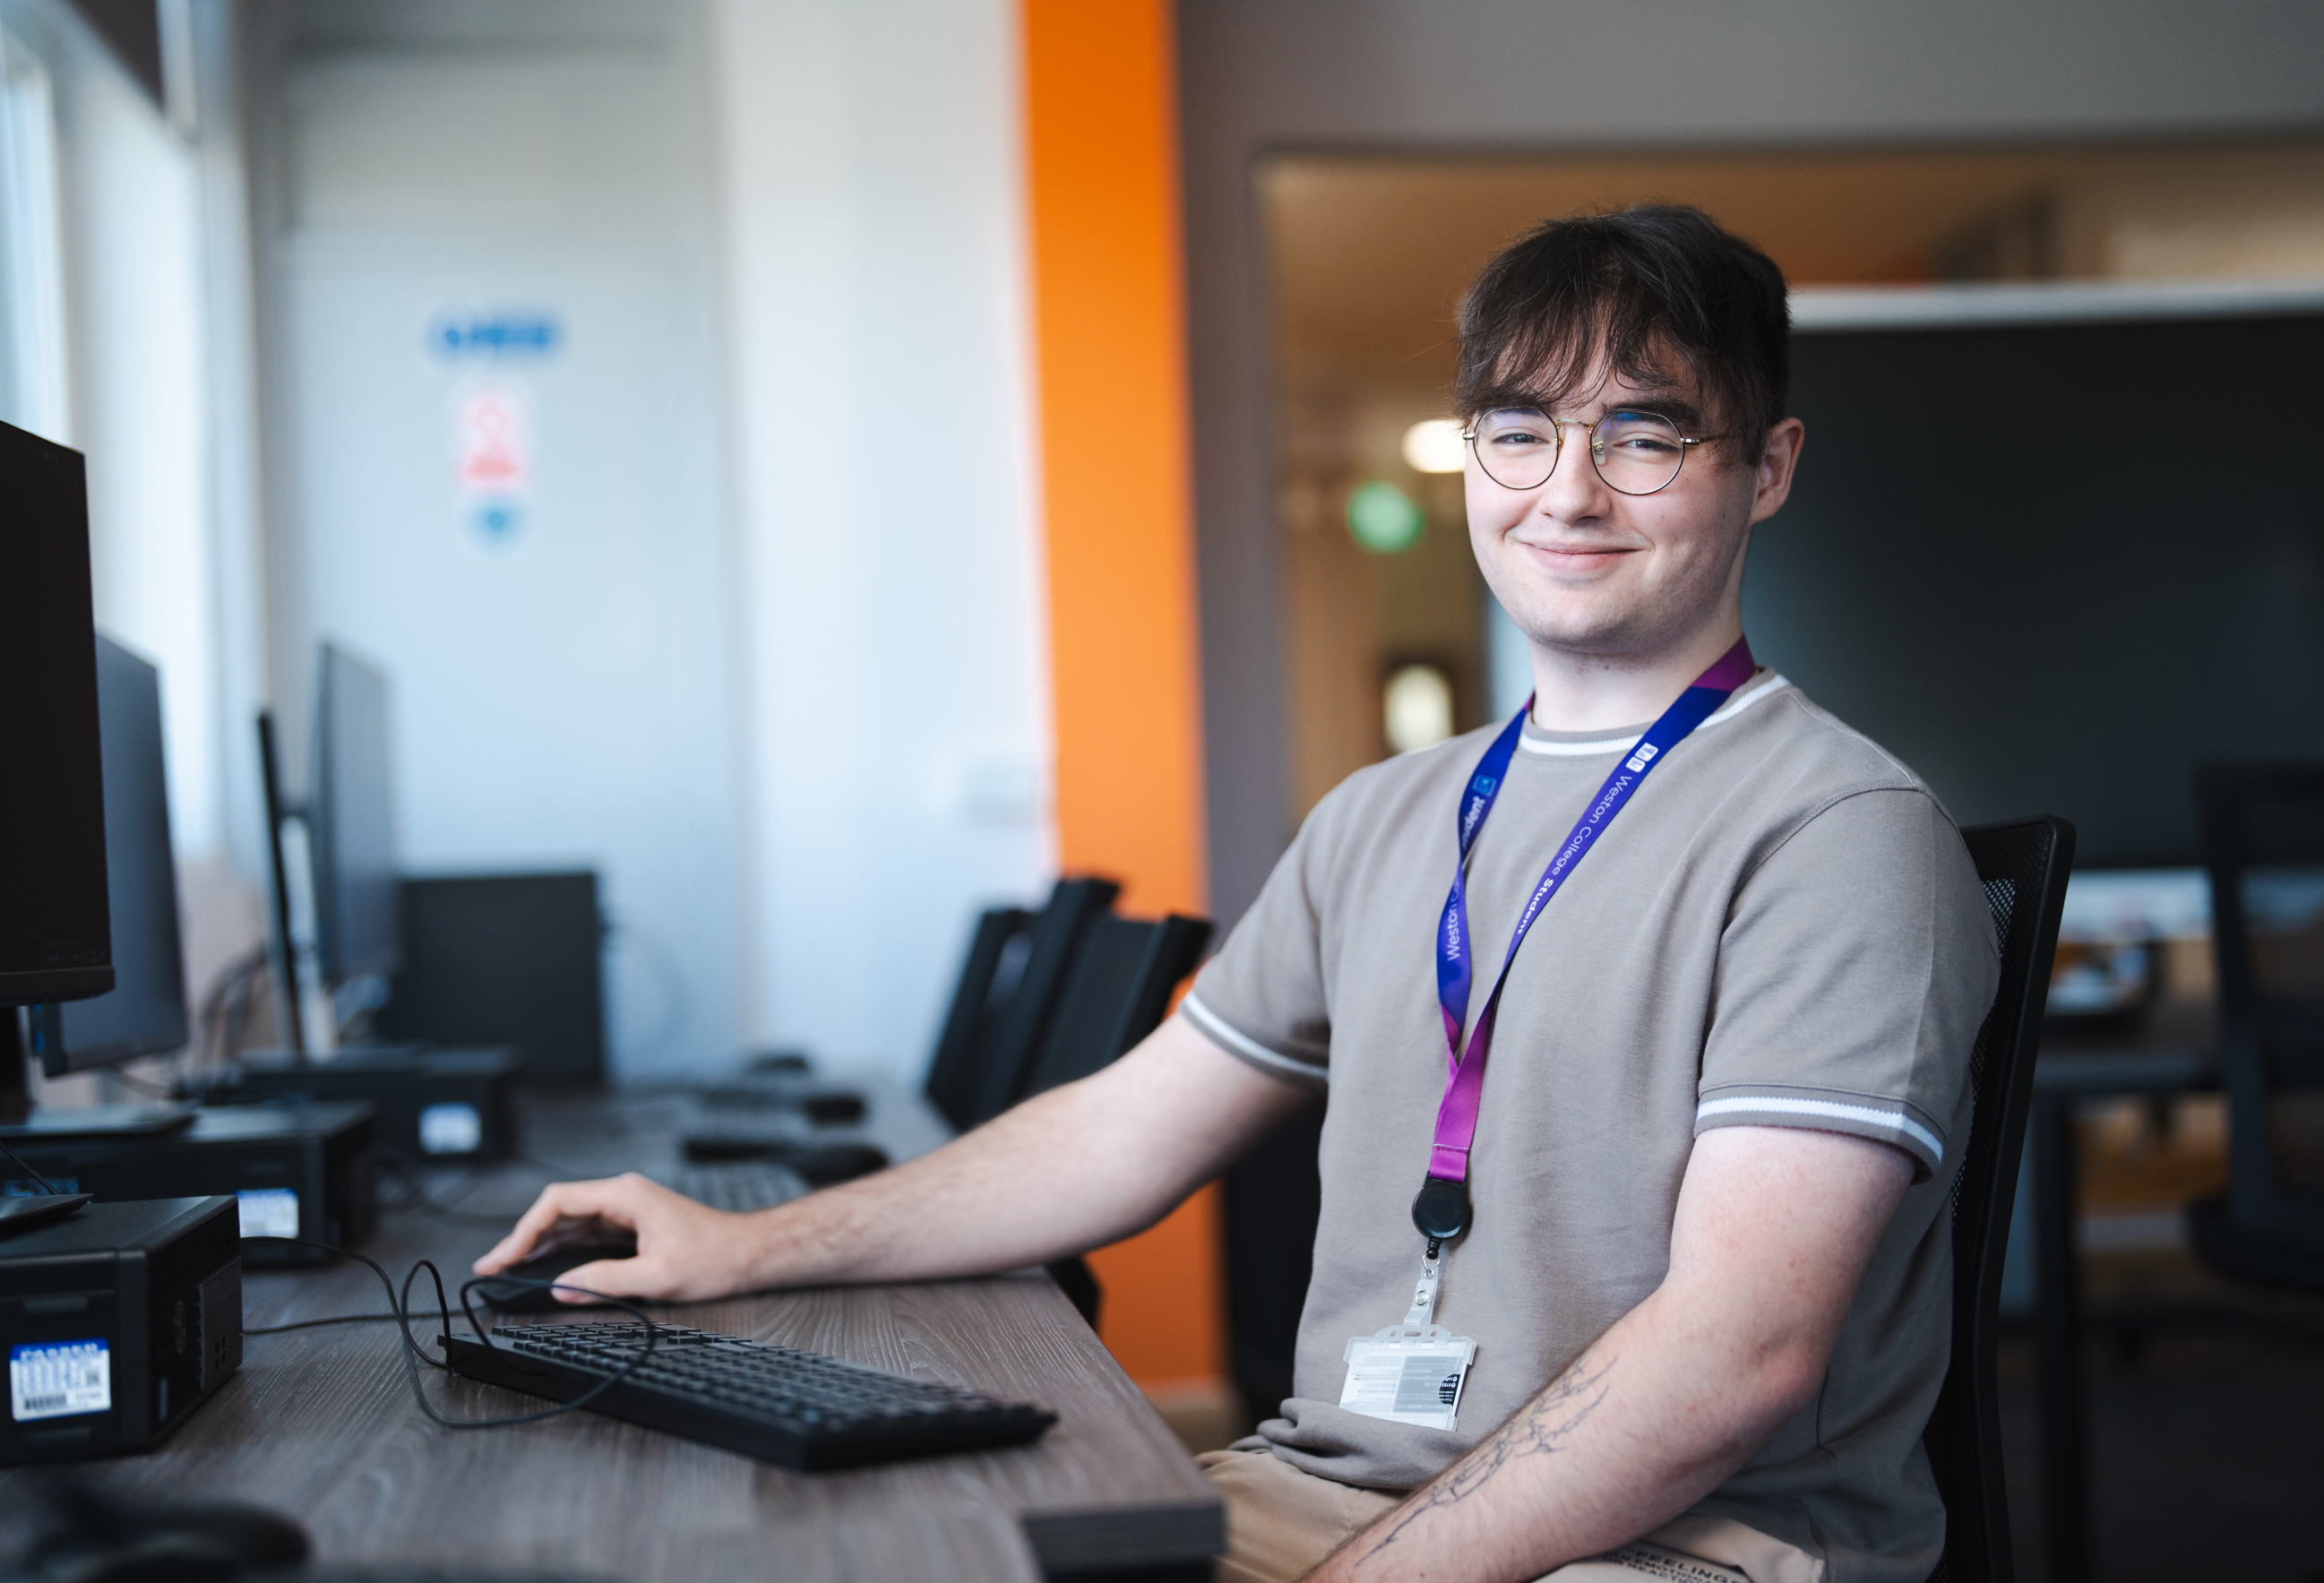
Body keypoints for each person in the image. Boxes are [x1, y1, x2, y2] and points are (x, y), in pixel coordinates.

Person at [477, 204, 1998, 1583]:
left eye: (1646, 435)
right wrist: (741, 1244)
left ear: (1768, 468)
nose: (1568, 492)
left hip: (1680, 1545)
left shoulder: (1841, 834)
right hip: (1324, 1496)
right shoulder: (1383, 816)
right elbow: (1126, 1127)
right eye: (1519, 431)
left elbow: (1740, 1356)